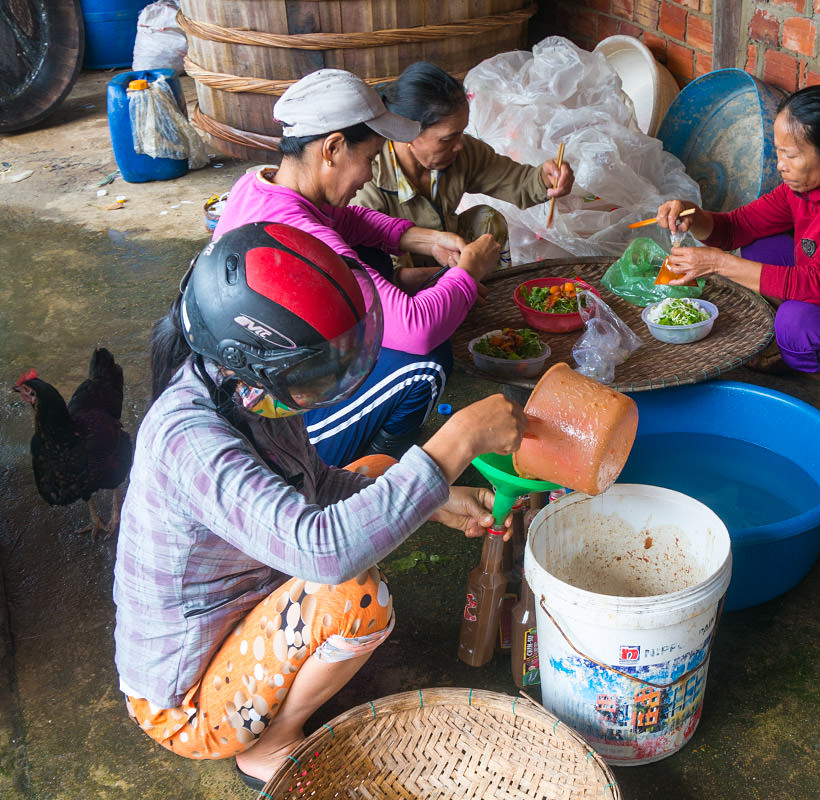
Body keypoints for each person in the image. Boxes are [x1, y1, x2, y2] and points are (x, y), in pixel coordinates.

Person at [114, 222, 525, 790]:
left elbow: (315, 485)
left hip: (247, 606)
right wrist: (453, 445)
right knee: (355, 593)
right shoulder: (189, 440)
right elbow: (324, 554)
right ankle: (273, 740)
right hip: (186, 701)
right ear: (252, 362)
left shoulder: (242, 388)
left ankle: (284, 678)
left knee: (384, 474)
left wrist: (436, 497)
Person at [214, 68, 502, 467]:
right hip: (271, 428)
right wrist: (468, 273)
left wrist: (422, 239)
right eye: (369, 159)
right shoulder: (297, 233)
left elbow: (349, 221)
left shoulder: (260, 185)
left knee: (377, 264)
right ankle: (360, 480)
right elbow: (417, 329)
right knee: (427, 362)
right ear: (332, 148)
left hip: (265, 378)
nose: (369, 174)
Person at [655, 85, 820, 381]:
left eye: (791, 156)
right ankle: (807, 350)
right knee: (759, 246)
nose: (780, 165)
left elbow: (818, 285)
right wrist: (692, 213)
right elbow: (736, 228)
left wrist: (717, 263)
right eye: (779, 152)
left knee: (792, 322)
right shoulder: (804, 186)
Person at [352, 61, 575, 268]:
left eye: (461, 133)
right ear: (408, 132)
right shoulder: (368, 179)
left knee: (487, 219)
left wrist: (546, 178)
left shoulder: (460, 153)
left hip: (450, 260)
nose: (459, 146)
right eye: (448, 138)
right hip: (398, 288)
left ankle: (491, 299)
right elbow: (379, 276)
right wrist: (465, 274)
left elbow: (517, 182)